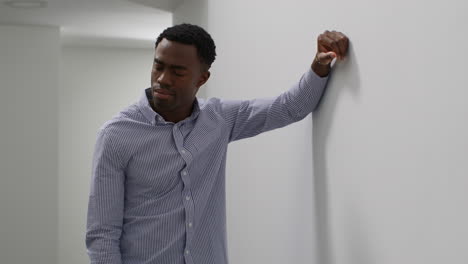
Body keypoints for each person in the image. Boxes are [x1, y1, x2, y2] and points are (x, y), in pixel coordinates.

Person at [85, 23, 349, 264]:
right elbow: (102, 235)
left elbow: (288, 108)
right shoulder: (116, 135)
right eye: (158, 66)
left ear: (202, 78)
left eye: (177, 71)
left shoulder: (220, 119)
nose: (163, 79)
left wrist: (319, 65)